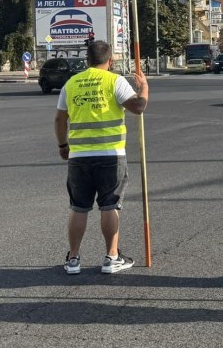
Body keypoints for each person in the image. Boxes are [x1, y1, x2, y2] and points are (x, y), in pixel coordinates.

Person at [54, 41, 149, 275]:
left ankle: (74, 259)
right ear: (110, 61)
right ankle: (111, 257)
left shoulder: (72, 83)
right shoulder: (114, 81)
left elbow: (59, 119)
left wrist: (63, 145)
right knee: (110, 205)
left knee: (79, 207)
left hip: (79, 156)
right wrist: (144, 87)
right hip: (110, 155)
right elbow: (138, 107)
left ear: (87, 60)